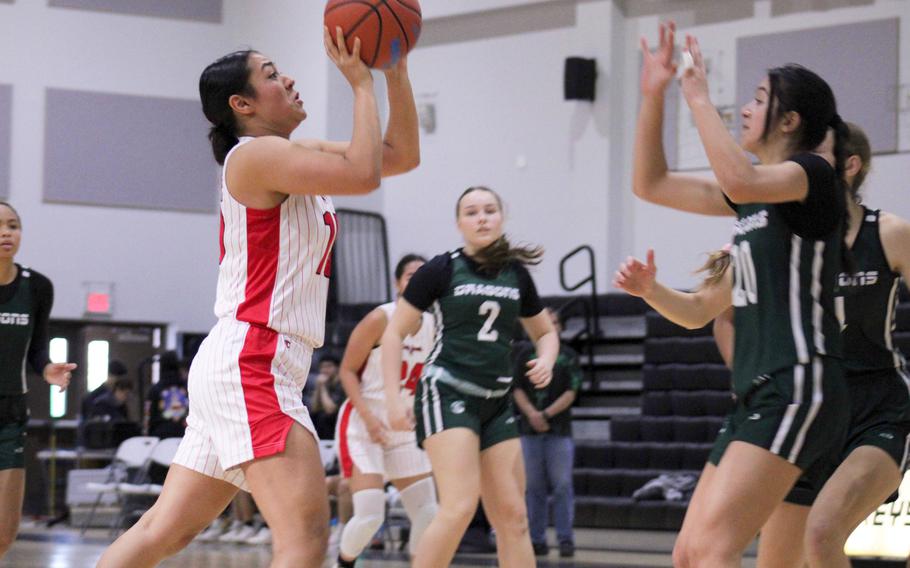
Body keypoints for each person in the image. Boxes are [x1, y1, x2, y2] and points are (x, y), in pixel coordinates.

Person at [99, 24, 420, 568]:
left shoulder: (292, 155)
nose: (289, 78)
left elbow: (400, 155)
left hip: (249, 360)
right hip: (255, 358)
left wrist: (394, 72)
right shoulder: (253, 157)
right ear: (242, 104)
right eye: (272, 74)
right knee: (304, 537)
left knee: (163, 531)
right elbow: (366, 175)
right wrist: (359, 87)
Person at [631, 21, 851, 567]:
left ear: (790, 120)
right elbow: (650, 183)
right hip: (756, 393)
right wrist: (654, 95)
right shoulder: (751, 201)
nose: (746, 109)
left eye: (758, 99)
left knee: (712, 552)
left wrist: (699, 97)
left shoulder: (814, 174)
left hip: (799, 382)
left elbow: (739, 180)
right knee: (688, 556)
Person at [382, 186, 559, 568]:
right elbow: (393, 332)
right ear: (459, 223)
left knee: (513, 516)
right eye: (472, 211)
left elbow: (545, 332)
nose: (482, 217)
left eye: (490, 210)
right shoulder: (441, 269)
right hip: (448, 390)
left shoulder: (516, 275)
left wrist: (546, 358)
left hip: (497, 400)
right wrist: (395, 399)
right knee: (460, 506)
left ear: (502, 217)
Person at [332, 254, 437, 567]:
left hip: (405, 425)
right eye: (410, 275)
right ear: (397, 283)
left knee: (429, 512)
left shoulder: (434, 324)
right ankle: (343, 563)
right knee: (369, 516)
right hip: (364, 422)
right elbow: (347, 371)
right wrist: (370, 419)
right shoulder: (380, 318)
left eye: (423, 275)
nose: (417, 281)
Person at [0, 201, 75, 558]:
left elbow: (37, 350)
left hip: (11, 414)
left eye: (13, 225)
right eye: (0, 226)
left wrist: (48, 369)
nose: (6, 233)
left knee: (5, 529)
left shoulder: (37, 287)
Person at [512, 307, 582, 558]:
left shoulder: (569, 356)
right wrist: (531, 413)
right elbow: (517, 388)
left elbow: (572, 391)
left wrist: (546, 414)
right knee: (533, 487)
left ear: (560, 327)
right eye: (546, 321)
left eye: (554, 322)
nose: (550, 325)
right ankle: (536, 538)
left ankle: (565, 539)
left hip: (559, 431)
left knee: (562, 485)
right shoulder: (523, 354)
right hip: (528, 431)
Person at [144, 351, 189, 439]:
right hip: (183, 436)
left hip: (160, 437)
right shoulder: (187, 388)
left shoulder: (154, 390)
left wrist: (146, 436)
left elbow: (147, 415)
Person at [307, 354, 346, 440]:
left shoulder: (342, 384)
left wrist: (323, 387)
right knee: (313, 416)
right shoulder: (324, 382)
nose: (324, 370)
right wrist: (319, 387)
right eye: (322, 367)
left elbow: (330, 410)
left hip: (339, 422)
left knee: (325, 417)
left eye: (328, 366)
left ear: (337, 368)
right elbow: (314, 408)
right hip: (325, 425)